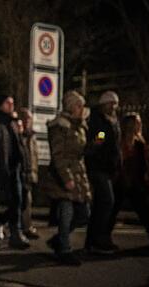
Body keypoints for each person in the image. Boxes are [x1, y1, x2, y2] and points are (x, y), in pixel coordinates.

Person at [40, 91, 92, 266]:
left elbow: (81, 150)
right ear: (71, 106)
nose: (81, 109)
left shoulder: (80, 125)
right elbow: (58, 155)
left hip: (79, 173)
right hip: (63, 175)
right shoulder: (60, 126)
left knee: (84, 214)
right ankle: (64, 249)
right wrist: (66, 178)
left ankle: (58, 240)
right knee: (67, 213)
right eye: (78, 105)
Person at [112, 112, 149, 258]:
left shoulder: (137, 141)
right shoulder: (126, 141)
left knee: (141, 214)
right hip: (126, 182)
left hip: (131, 182)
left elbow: (143, 164)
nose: (140, 124)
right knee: (119, 211)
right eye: (138, 122)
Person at [0, 96, 30, 249]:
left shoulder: (12, 122)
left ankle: (4, 225)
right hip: (3, 169)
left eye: (12, 102)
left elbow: (19, 145)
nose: (11, 105)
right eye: (7, 102)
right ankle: (14, 233)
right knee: (13, 200)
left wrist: (25, 164)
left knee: (20, 200)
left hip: (16, 167)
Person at [84, 90, 122, 254]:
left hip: (109, 167)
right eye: (110, 103)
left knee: (101, 203)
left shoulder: (113, 120)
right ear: (103, 104)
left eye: (115, 104)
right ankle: (99, 238)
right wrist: (99, 140)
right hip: (98, 166)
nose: (113, 106)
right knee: (107, 201)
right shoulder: (98, 119)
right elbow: (99, 137)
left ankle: (92, 240)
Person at [18, 108, 40, 239]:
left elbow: (34, 156)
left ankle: (25, 226)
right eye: (25, 119)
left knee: (27, 201)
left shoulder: (32, 136)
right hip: (20, 173)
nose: (27, 122)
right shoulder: (19, 135)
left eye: (29, 119)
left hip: (29, 173)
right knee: (24, 201)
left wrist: (34, 172)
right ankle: (24, 227)